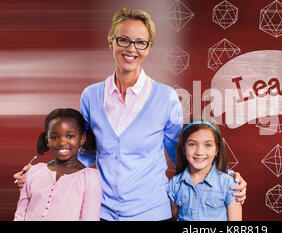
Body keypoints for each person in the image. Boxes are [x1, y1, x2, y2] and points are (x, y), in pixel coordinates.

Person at [14, 7, 247, 221]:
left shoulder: (165, 97)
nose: (131, 48)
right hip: (101, 211)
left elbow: (183, 153)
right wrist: (44, 173)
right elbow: (84, 154)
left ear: (149, 48)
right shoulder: (90, 96)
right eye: (123, 39)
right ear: (111, 42)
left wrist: (227, 178)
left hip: (152, 212)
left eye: (140, 42)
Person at [14, 108, 101, 221]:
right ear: (47, 140)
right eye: (55, 137)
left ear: (82, 138)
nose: (62, 143)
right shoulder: (34, 171)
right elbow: (20, 215)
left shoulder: (90, 178)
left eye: (69, 136)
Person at [167, 121, 242, 221]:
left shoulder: (229, 184)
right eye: (192, 144)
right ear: (184, 149)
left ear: (217, 150)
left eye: (208, 145)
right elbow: (174, 218)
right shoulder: (174, 184)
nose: (199, 152)